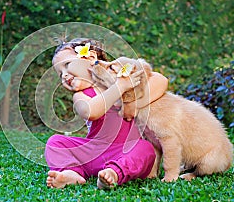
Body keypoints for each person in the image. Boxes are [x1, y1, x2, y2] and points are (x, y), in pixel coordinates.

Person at [45, 38, 168, 189]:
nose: (64, 75)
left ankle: (114, 173)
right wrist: (120, 87)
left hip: (125, 151)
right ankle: (72, 172)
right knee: (55, 142)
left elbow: (160, 80)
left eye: (67, 65)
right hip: (93, 152)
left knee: (145, 148)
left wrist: (133, 105)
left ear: (90, 58)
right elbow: (91, 112)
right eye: (59, 74)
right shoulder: (81, 95)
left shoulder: (118, 74)